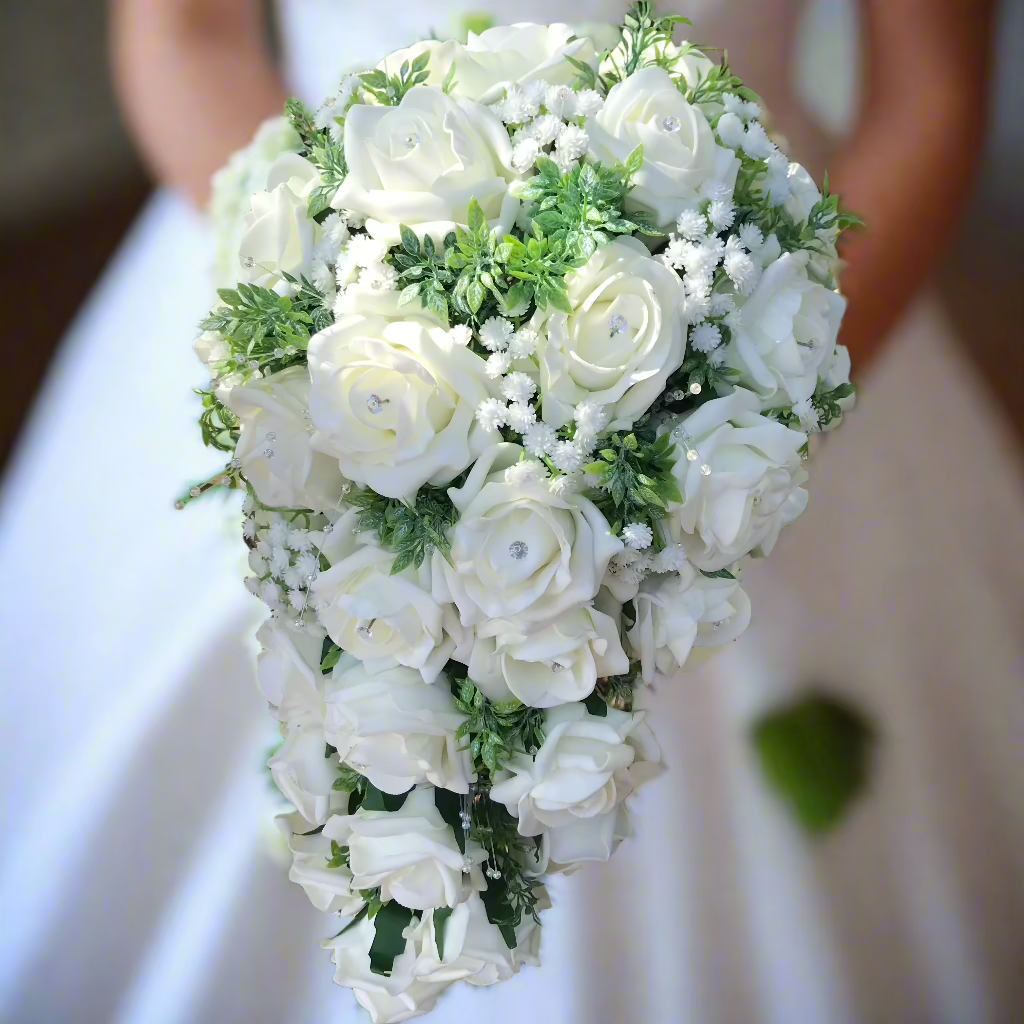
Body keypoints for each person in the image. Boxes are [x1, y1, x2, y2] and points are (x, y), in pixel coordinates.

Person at [0, 1, 1021, 1022]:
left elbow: (930, 92)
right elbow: (185, 37)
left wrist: (718, 429)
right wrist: (354, 314)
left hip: (770, 330)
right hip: (320, 332)